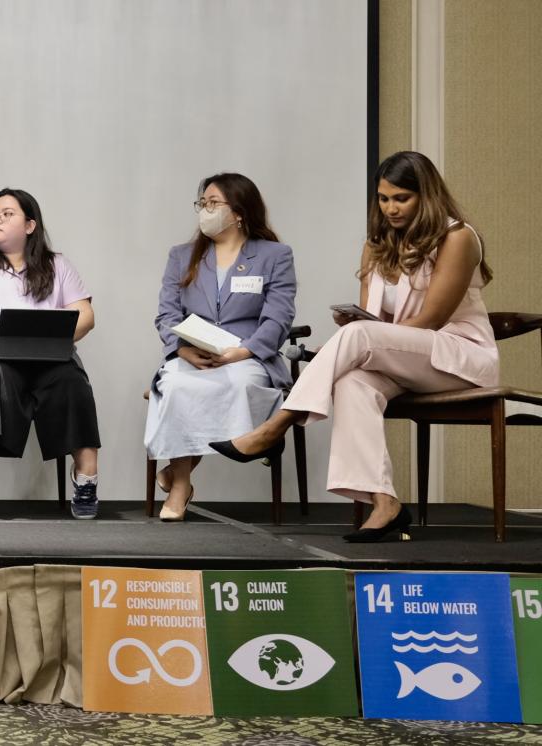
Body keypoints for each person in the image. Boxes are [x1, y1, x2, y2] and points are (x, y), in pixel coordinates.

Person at [212, 151, 496, 542]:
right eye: (383, 198)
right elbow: (374, 321)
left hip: (458, 358)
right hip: (403, 357)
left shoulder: (457, 237)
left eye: (401, 198)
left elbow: (430, 320)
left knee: (358, 339)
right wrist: (361, 325)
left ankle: (276, 424)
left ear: (425, 196)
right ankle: (385, 504)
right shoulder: (377, 245)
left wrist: (366, 334)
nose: (390, 208)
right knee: (351, 383)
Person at [0, 188, 101, 520]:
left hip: (43, 356)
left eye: (6, 213)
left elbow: (86, 316)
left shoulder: (58, 266)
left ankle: (86, 477)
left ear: (30, 225)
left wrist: (55, 338)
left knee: (71, 374)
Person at [145, 174, 297, 521]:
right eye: (202, 204)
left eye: (213, 203)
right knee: (177, 385)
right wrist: (181, 350)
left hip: (248, 355)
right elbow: (167, 313)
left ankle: (177, 473)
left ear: (240, 211)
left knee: (240, 384)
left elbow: (279, 317)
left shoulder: (275, 255)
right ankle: (181, 483)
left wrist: (242, 352)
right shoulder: (182, 256)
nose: (205, 210)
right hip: (193, 353)